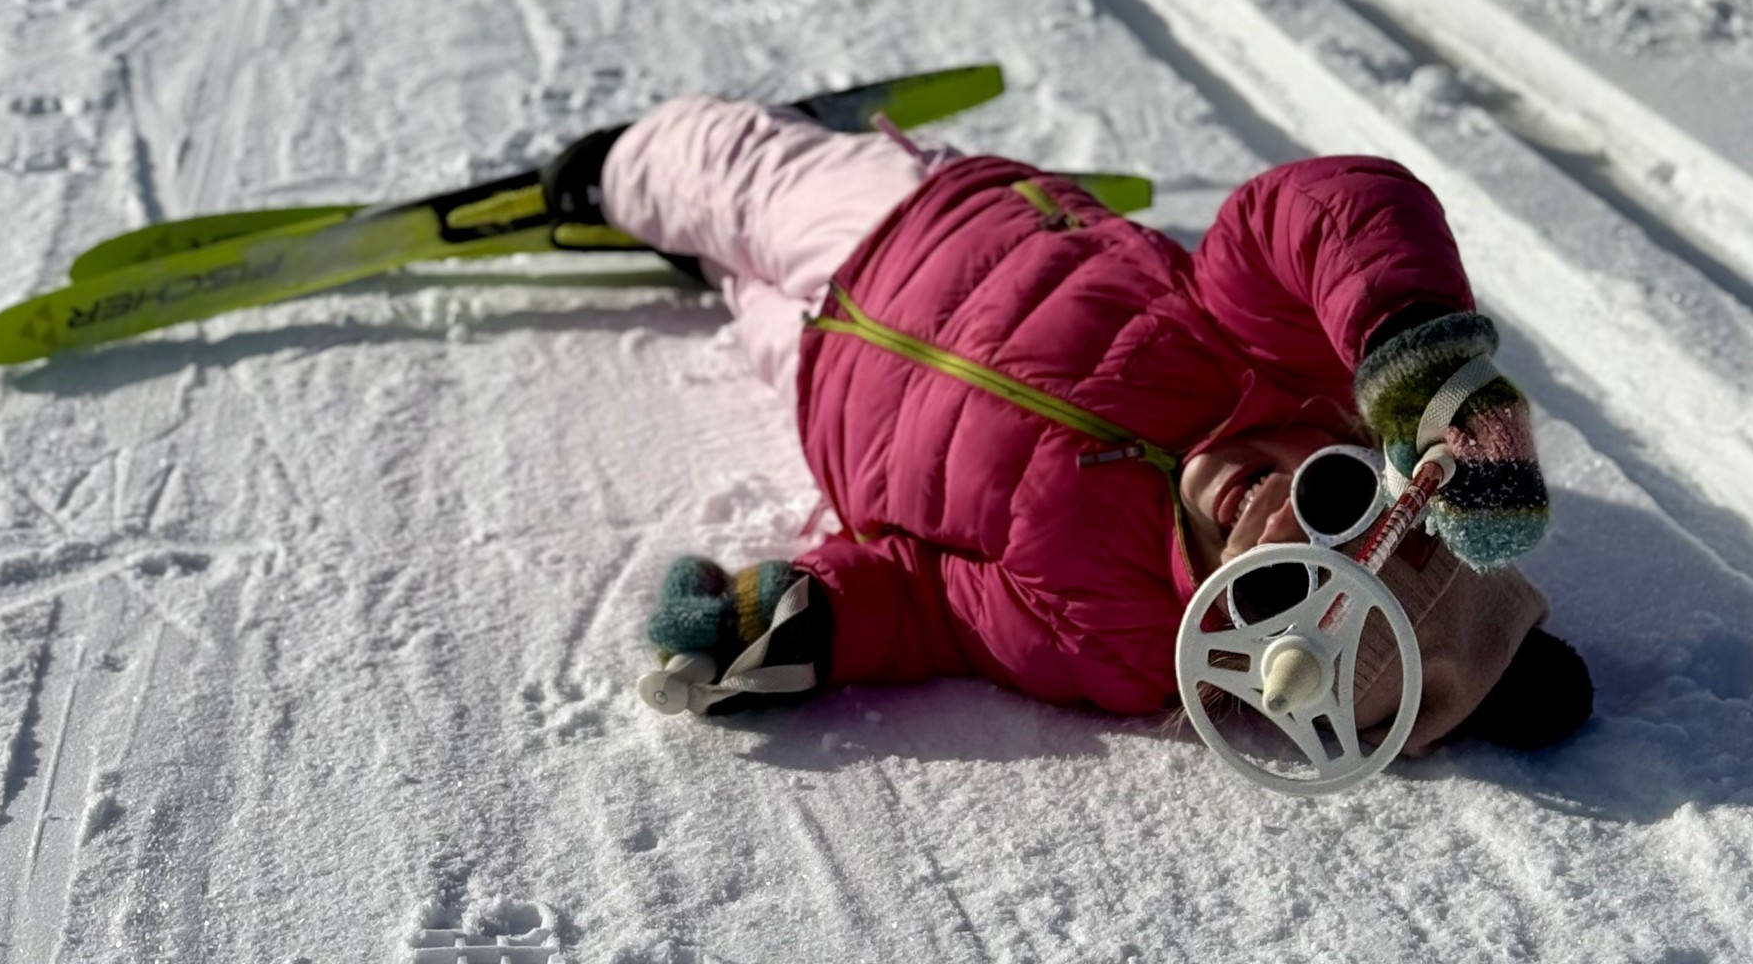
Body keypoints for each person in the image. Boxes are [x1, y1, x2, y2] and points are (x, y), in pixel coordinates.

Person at [542, 93, 1592, 757]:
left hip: (821, 384)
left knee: (746, 295)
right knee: (734, 172)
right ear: (1374, 448)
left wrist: (799, 621)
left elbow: (928, 605)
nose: (1263, 512)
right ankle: (621, 161)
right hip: (910, 220)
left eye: (1271, 581)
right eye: (1329, 495)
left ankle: (711, 264)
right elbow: (1332, 206)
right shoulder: (1269, 347)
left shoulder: (1117, 638)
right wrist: (1417, 349)